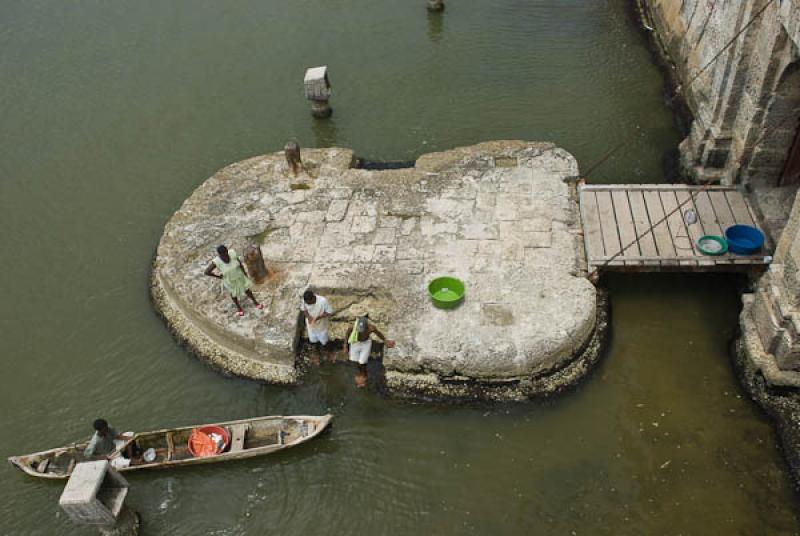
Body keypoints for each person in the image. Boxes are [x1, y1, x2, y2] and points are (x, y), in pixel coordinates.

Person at [205, 245, 262, 317]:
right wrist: (218, 276)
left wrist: (244, 273)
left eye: (226, 253)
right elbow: (206, 272)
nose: (225, 256)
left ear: (227, 251)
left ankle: (256, 302)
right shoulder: (217, 262)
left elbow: (240, 264)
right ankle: (239, 308)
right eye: (223, 255)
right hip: (229, 281)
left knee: (247, 290)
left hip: (239, 276)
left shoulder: (232, 254)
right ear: (220, 255)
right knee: (233, 294)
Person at [343, 315, 394, 388]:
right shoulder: (352, 327)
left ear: (366, 326)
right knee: (356, 360)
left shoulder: (371, 328)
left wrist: (385, 341)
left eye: (362, 330)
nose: (360, 331)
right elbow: (347, 335)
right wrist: (345, 346)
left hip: (366, 343)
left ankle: (364, 376)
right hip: (355, 342)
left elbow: (378, 333)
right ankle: (361, 373)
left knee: (363, 362)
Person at [301, 289, 334, 365]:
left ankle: (329, 352)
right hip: (311, 326)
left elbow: (329, 312)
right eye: (307, 303)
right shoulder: (304, 300)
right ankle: (316, 355)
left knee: (325, 342)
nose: (308, 304)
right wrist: (309, 317)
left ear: (313, 298)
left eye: (309, 303)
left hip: (321, 326)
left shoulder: (323, 301)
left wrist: (317, 318)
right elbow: (304, 310)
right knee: (313, 341)